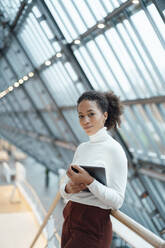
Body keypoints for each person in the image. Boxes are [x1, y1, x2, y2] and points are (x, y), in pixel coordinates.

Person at [60, 90, 128, 248]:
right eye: (81, 116)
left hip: (92, 225)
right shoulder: (82, 148)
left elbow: (117, 201)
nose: (85, 120)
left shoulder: (114, 150)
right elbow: (63, 188)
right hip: (70, 217)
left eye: (91, 114)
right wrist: (69, 188)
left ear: (104, 115)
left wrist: (89, 181)